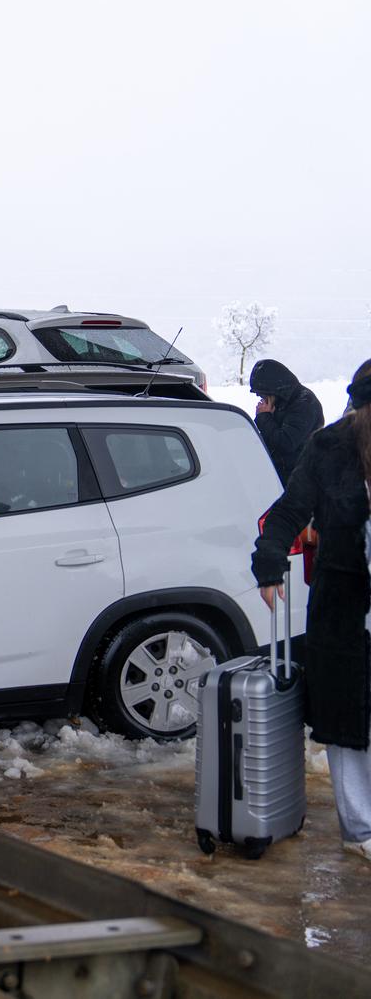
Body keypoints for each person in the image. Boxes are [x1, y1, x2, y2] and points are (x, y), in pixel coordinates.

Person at [252, 359, 371, 860]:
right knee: (349, 722)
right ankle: (362, 829)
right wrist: (269, 558)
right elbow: (287, 512)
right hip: (345, 605)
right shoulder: (330, 447)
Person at [250, 359, 324, 483]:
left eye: (262, 394)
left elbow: (286, 443)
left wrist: (264, 417)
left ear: (273, 389)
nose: (260, 398)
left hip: (298, 479)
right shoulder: (283, 402)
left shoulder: (304, 403)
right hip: (283, 474)